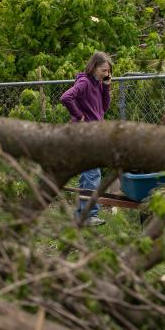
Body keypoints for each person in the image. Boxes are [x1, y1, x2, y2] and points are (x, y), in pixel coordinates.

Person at [59, 51, 113, 227]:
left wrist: (106, 87)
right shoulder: (84, 82)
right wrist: (79, 115)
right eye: (104, 70)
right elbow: (66, 97)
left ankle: (81, 215)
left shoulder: (97, 83)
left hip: (93, 131)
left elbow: (103, 107)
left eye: (108, 71)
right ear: (94, 67)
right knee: (92, 173)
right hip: (84, 132)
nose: (107, 74)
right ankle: (89, 215)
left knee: (87, 175)